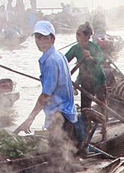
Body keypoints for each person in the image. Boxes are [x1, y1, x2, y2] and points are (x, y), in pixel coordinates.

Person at [15, 21, 79, 156]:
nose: (41, 41)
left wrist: (30, 118)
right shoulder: (57, 55)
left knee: (57, 157)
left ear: (52, 39)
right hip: (66, 112)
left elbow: (45, 96)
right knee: (63, 155)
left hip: (59, 115)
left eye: (45, 37)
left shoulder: (51, 61)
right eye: (38, 37)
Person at [65, 22, 106, 110]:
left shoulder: (93, 47)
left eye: (79, 34)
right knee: (85, 108)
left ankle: (104, 123)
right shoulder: (75, 48)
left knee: (102, 105)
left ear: (87, 36)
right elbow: (64, 61)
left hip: (98, 80)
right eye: (76, 34)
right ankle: (86, 123)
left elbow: (103, 60)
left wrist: (91, 58)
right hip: (85, 81)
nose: (77, 37)